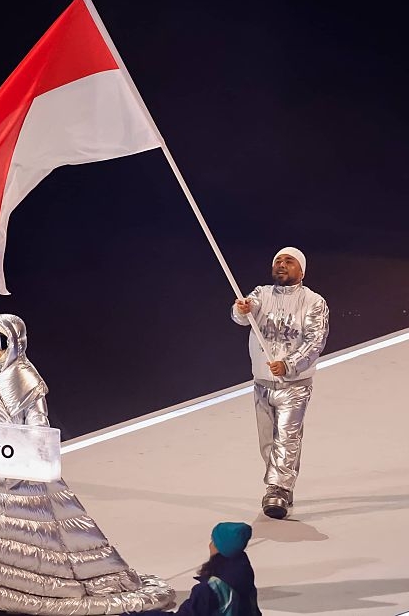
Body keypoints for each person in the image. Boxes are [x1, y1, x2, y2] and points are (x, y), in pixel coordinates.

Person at [0, 313, 175, 616]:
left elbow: (38, 425)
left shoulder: (26, 378)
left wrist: (30, 455)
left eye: (0, 340)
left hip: (15, 473)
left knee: (24, 538)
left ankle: (7, 589)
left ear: (15, 341)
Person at [231, 247, 329, 519]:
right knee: (267, 442)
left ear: (302, 270)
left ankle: (278, 489)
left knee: (287, 437)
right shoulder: (261, 294)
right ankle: (281, 481)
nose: (282, 264)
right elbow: (242, 314)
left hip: (294, 384)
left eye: (289, 261)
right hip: (262, 382)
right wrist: (242, 309)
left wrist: (289, 365)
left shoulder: (314, 302)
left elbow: (315, 341)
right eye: (278, 260)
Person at [135, 522, 262, 616]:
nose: (210, 545)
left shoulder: (210, 589)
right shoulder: (243, 573)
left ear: (221, 548)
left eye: (213, 541)